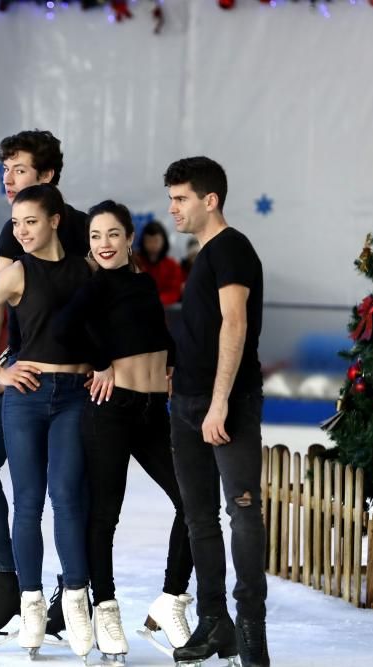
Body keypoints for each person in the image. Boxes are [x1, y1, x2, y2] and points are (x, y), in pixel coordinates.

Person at [0, 129, 89, 648]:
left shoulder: (76, 230)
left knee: (74, 492)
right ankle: (8, 584)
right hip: (27, 378)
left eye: (20, 170)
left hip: (77, 383)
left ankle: (71, 594)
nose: (9, 180)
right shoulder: (18, 231)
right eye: (5, 170)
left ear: (48, 177)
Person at [53, 200, 195, 662]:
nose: (104, 244)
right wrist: (100, 364)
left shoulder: (144, 282)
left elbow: (156, 333)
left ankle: (172, 599)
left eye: (112, 234)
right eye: (95, 236)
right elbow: (62, 328)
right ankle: (106, 607)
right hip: (111, 411)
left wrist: (171, 363)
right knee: (105, 516)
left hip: (154, 411)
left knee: (194, 502)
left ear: (130, 237)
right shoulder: (96, 286)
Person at [163, 157, 268, 667]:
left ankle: (251, 629)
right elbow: (203, 329)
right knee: (199, 518)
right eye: (171, 198)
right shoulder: (204, 256)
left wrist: (220, 401)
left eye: (181, 198)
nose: (172, 208)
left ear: (211, 200)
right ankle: (214, 622)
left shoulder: (232, 249)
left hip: (224, 405)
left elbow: (234, 323)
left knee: (242, 513)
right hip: (184, 403)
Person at [137, 220, 183, 305]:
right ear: (143, 242)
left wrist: (156, 300)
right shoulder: (135, 262)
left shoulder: (172, 265)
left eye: (156, 241)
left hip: (164, 310)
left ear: (163, 241)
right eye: (149, 241)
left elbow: (174, 292)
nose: (152, 245)